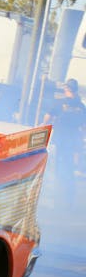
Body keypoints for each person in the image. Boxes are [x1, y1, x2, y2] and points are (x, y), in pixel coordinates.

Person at [42, 78, 86, 207]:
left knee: (55, 167)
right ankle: (67, 200)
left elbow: (47, 118)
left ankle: (55, 197)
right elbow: (84, 127)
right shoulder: (81, 106)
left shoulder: (59, 103)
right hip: (72, 142)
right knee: (69, 168)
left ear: (66, 88)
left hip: (58, 140)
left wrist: (42, 125)